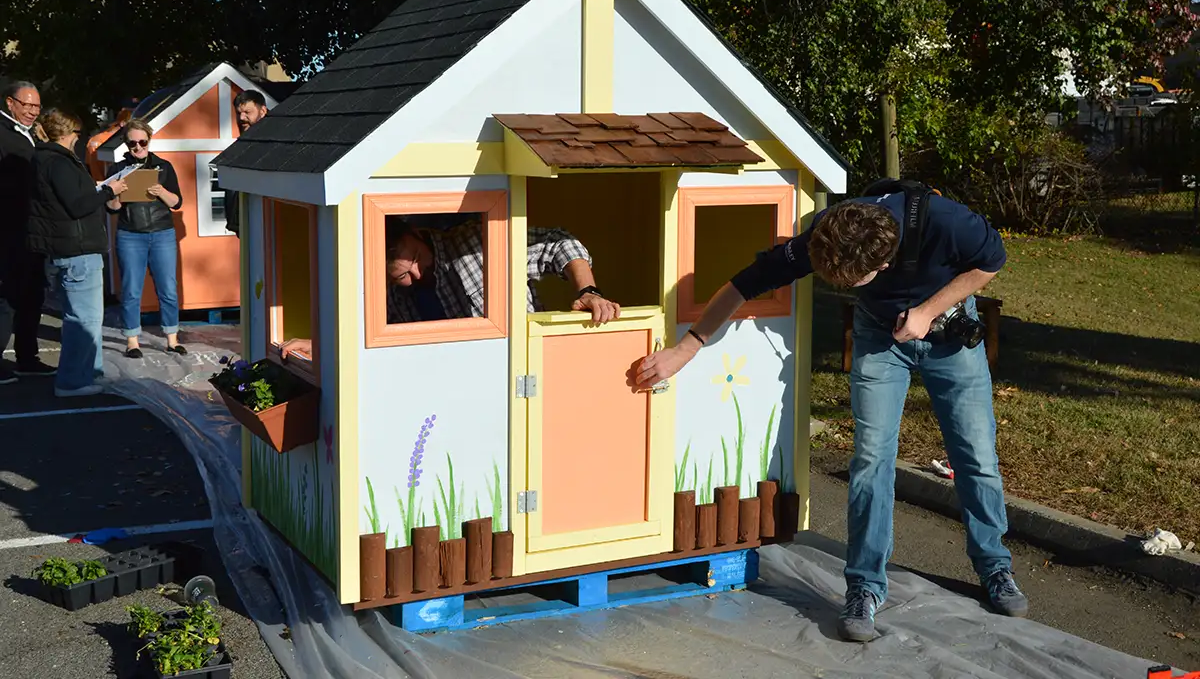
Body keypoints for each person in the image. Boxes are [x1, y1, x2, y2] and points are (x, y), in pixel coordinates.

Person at [634, 180, 1026, 642]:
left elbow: (991, 261)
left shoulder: (945, 221)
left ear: (882, 265)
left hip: (949, 334)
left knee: (975, 454)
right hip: (880, 336)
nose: (838, 287)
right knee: (871, 459)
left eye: (848, 283)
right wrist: (686, 348)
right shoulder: (828, 235)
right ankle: (864, 587)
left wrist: (926, 311)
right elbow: (743, 283)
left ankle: (994, 566)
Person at [279, 219, 620, 360]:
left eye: (416, 259)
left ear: (416, 233)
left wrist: (588, 291)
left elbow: (559, 244)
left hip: (518, 376)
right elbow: (371, 343)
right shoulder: (393, 296)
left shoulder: (476, 242)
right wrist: (322, 347)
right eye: (402, 276)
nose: (417, 274)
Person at [26, 109, 128, 397]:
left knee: (84, 319)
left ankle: (89, 373)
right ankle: (72, 381)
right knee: (83, 322)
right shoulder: (58, 162)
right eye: (77, 134)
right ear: (67, 133)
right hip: (77, 249)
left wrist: (99, 190)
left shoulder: (44, 158)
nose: (78, 139)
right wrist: (108, 191)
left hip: (68, 248)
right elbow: (77, 205)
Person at [105, 119, 186, 358]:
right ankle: (132, 342)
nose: (138, 147)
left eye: (142, 142)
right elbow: (111, 208)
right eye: (133, 143)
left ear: (149, 141)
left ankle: (172, 339)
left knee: (168, 288)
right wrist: (117, 193)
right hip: (130, 234)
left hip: (162, 232)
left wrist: (161, 192)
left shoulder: (164, 166)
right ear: (126, 144)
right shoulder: (117, 169)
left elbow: (177, 202)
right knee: (131, 289)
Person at [0, 80, 56, 383]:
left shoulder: (33, 134)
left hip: (34, 230)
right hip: (9, 230)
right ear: (10, 103)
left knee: (33, 294)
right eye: (27, 105)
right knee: (7, 297)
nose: (33, 111)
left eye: (37, 106)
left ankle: (27, 356)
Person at [222, 89, 269, 237]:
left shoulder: (272, 143)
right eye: (238, 113)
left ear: (262, 111)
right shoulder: (240, 146)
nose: (242, 118)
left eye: (247, 112)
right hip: (242, 224)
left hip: (266, 224)